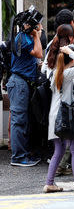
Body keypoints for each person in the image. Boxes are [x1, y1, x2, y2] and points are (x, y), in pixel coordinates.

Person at [43, 24, 74, 193]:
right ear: (70, 60)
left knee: (59, 149)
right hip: (65, 116)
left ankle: (49, 183)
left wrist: (67, 53)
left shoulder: (57, 72)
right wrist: (71, 52)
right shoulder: (67, 74)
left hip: (55, 115)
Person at [7, 19, 43, 167]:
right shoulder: (23, 37)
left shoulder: (23, 37)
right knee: (19, 121)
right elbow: (39, 53)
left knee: (23, 120)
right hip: (19, 82)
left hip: (22, 82)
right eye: (39, 24)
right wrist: (36, 35)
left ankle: (23, 154)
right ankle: (18, 157)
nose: (41, 27)